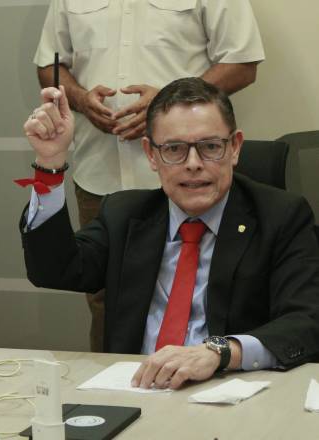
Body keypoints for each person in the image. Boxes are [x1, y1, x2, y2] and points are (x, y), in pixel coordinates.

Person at [19, 78, 319, 389]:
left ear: (234, 148)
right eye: (174, 149)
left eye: (210, 147)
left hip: (231, 392)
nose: (193, 164)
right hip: (137, 390)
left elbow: (306, 321)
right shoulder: (125, 214)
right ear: (151, 154)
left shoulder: (281, 217)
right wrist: (50, 164)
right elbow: (53, 269)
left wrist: (220, 352)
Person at [34, 0, 265, 351]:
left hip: (188, 175)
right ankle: (116, 384)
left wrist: (167, 106)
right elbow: (49, 64)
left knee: (211, 294)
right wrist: (79, 99)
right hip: (101, 173)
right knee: (107, 303)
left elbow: (242, 62)